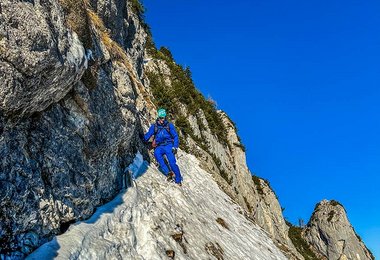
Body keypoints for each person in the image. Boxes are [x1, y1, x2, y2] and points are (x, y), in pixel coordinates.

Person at [144, 108, 182, 185]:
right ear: (158, 117)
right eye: (161, 117)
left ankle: (178, 179)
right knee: (157, 155)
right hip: (160, 146)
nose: (162, 119)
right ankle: (168, 173)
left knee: (172, 163)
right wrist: (142, 138)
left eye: (164, 117)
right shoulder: (154, 126)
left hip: (169, 145)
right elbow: (148, 135)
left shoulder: (169, 126)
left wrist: (175, 146)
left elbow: (175, 136)